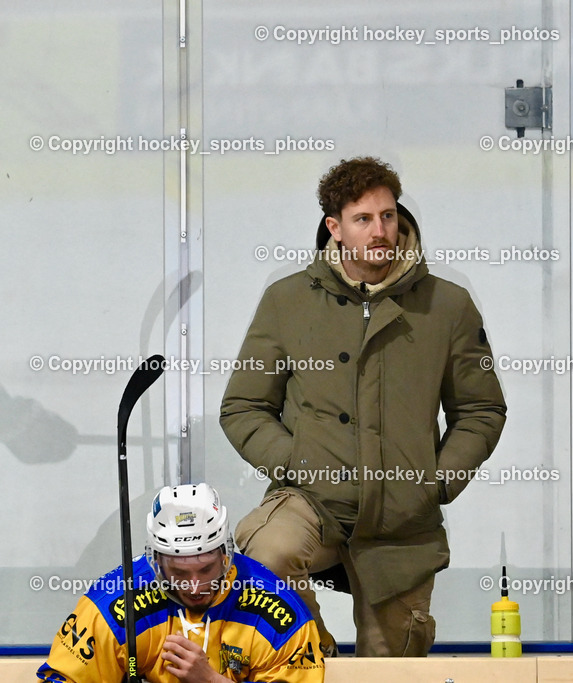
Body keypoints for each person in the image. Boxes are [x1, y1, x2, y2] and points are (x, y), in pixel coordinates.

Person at [220, 156, 506, 657]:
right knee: (267, 551)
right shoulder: (287, 302)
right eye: (364, 219)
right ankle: (312, 655)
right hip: (312, 500)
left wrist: (436, 480)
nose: (381, 231)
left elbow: (482, 410)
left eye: (388, 216)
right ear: (335, 227)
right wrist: (295, 462)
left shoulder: (448, 305)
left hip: (401, 519)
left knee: (393, 664)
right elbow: (243, 405)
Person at [37, 483, 324, 682]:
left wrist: (210, 681)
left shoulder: (279, 611)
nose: (195, 586)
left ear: (225, 554)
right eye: (179, 573)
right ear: (156, 562)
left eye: (206, 569)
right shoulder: (111, 605)